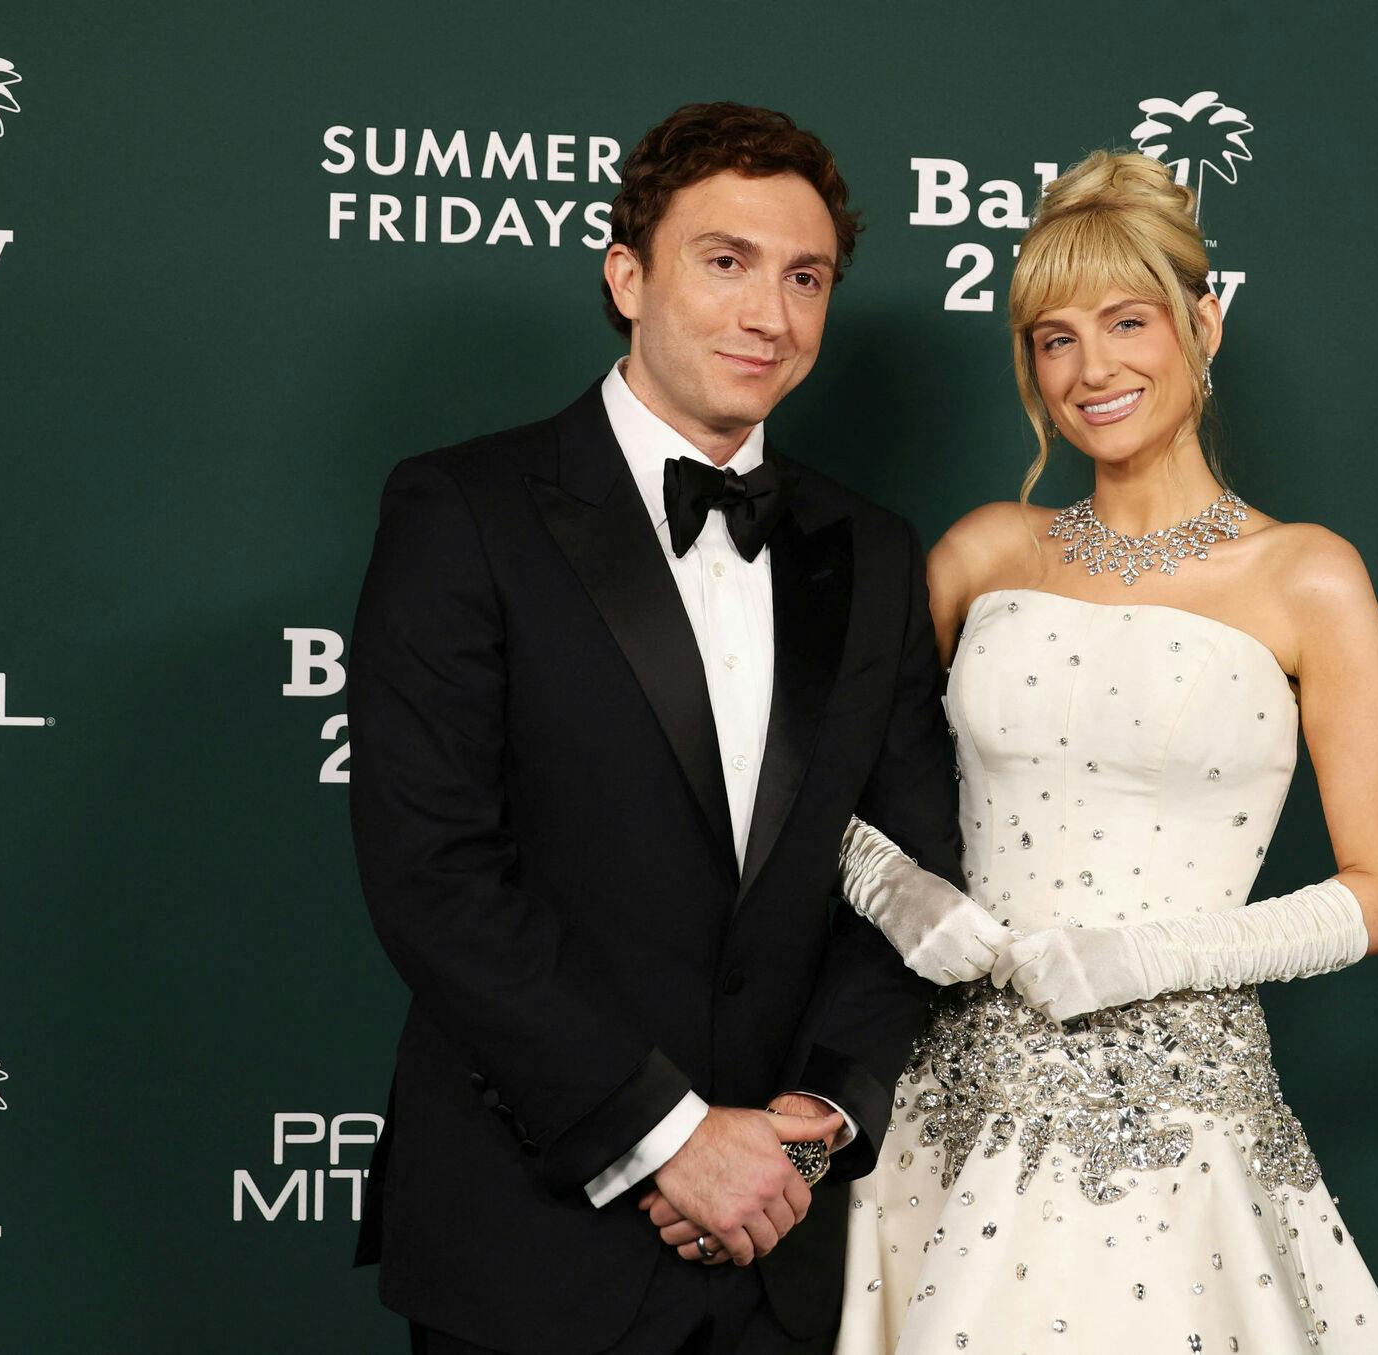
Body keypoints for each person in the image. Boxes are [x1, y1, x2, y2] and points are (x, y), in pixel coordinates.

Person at [346, 102, 957, 1355]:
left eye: (806, 278)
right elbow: (433, 872)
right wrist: (672, 1135)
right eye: (723, 262)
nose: (768, 315)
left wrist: (826, 1112)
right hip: (532, 1238)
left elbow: (915, 869)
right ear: (627, 275)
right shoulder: (462, 508)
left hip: (789, 1244)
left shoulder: (877, 551)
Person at [822, 150, 1378, 1352]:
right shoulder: (985, 551)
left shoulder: (1309, 574)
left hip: (1180, 1121)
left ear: (1203, 321)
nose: (1091, 368)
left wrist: (1147, 954)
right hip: (954, 1103)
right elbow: (810, 791)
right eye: (1053, 337)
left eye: (1127, 320)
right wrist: (894, 889)